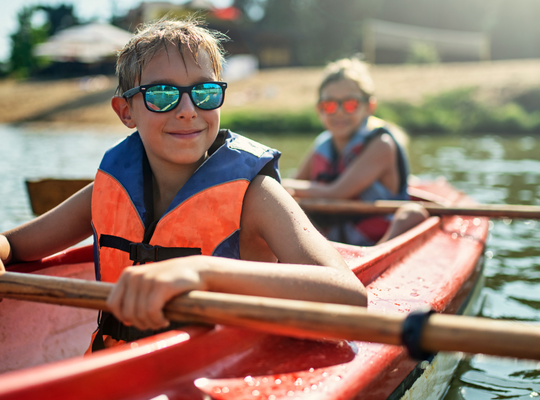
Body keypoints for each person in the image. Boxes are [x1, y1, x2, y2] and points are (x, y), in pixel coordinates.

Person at [0, 18, 367, 352]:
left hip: (218, 375)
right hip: (118, 375)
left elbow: (349, 296)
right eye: (162, 94)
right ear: (125, 111)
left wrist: (202, 271)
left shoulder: (255, 195)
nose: (188, 109)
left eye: (205, 92)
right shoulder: (108, 189)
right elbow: (14, 244)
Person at [283, 58, 428, 246]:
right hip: (333, 236)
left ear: (370, 107)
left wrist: (282, 186)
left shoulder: (381, 145)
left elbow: (336, 193)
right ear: (319, 109)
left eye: (350, 104)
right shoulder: (322, 144)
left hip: (377, 237)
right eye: (329, 105)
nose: (339, 112)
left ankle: (379, 256)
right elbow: (297, 183)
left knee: (411, 214)